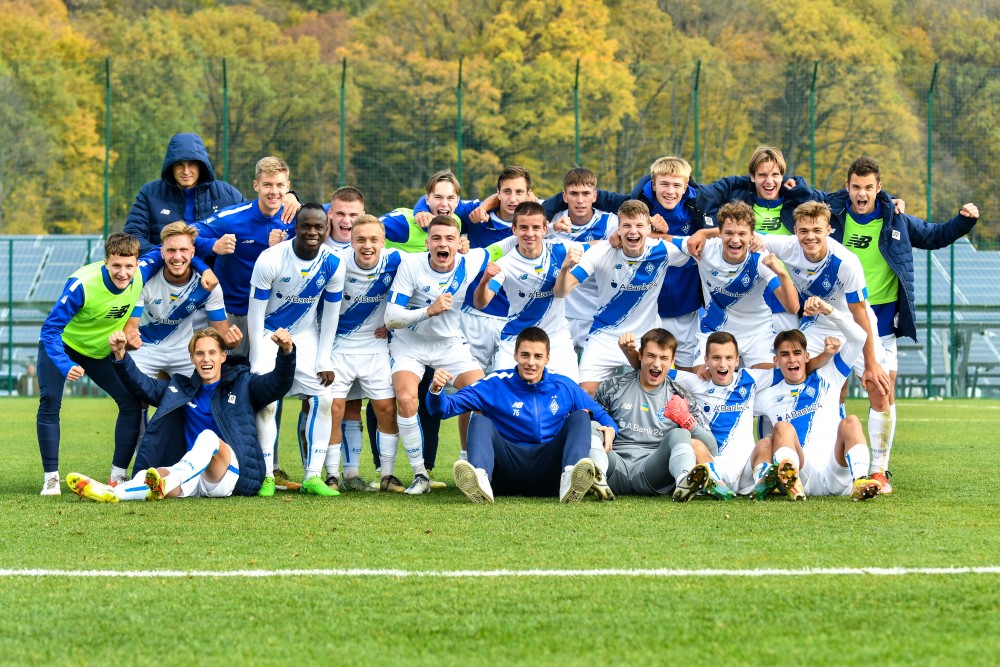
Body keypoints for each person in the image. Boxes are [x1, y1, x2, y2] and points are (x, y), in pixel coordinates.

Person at [807, 156, 981, 492]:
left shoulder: (896, 220)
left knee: (882, 389)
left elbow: (934, 235)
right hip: (837, 320)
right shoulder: (833, 216)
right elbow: (804, 201)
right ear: (847, 187)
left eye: (868, 187)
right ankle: (829, 459)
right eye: (856, 187)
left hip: (882, 324)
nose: (862, 194)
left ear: (879, 188)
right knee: (833, 389)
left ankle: (879, 470)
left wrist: (963, 221)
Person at [65, 327, 295, 502]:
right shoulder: (180, 388)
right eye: (199, 353)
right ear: (192, 359)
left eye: (212, 353)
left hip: (232, 475)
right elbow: (143, 385)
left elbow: (277, 384)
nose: (206, 359)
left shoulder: (243, 383)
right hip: (192, 474)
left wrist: (286, 352)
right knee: (149, 475)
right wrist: (120, 355)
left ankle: (169, 480)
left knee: (208, 438)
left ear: (223, 356)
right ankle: (112, 492)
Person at [545, 158, 713, 368]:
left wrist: (701, 233)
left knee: (681, 371)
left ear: (686, 186)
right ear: (653, 184)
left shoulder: (700, 205)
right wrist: (548, 219)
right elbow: (584, 196)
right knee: (640, 370)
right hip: (635, 313)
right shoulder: (634, 205)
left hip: (683, 304)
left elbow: (718, 234)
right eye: (664, 184)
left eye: (676, 185)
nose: (670, 191)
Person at [427, 327, 617, 504]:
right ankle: (481, 478)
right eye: (525, 355)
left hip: (551, 474)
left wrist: (611, 428)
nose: (531, 362)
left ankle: (571, 478)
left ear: (547, 358)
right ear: (515, 355)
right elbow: (443, 409)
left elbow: (600, 413)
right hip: (505, 472)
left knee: (581, 416)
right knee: (479, 420)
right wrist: (436, 390)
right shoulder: (494, 384)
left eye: (538, 356)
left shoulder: (564, 385)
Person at [36, 233, 163, 495]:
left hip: (98, 352)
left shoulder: (142, 271)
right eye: (116, 265)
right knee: (50, 401)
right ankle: (51, 479)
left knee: (131, 402)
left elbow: (171, 247)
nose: (123, 273)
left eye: (128, 266)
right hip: (63, 346)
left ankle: (118, 476)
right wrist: (63, 363)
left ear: (137, 263)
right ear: (106, 262)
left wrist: (204, 265)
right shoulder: (82, 284)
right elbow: (50, 329)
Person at [384, 216, 493, 494]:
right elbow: (391, 317)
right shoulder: (411, 265)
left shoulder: (471, 260)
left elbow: (507, 244)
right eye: (436, 238)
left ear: (459, 243)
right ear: (427, 243)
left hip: (449, 345)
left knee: (483, 395)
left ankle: (471, 465)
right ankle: (420, 474)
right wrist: (428, 311)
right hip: (410, 344)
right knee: (406, 398)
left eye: (449, 239)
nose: (442, 243)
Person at [248, 204, 345, 497]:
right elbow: (255, 313)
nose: (312, 232)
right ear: (295, 228)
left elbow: (331, 315)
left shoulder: (334, 263)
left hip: (305, 335)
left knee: (324, 399)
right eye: (306, 226)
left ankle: (313, 477)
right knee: (267, 403)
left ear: (327, 229)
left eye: (318, 227)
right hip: (268, 333)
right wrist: (257, 357)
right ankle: (266, 476)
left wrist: (324, 358)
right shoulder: (271, 259)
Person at [753, 297, 884, 501]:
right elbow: (733, 407)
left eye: (797, 353)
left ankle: (860, 480)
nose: (792, 359)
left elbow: (859, 337)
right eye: (785, 355)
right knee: (781, 428)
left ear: (807, 357)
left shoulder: (829, 375)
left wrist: (828, 310)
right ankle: (791, 483)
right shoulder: (767, 395)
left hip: (836, 472)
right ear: (776, 360)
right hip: (803, 475)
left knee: (851, 422)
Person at [554, 199, 690, 394]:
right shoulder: (601, 251)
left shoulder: (662, 250)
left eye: (639, 226)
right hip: (604, 336)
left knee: (660, 394)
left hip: (647, 337)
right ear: (618, 229)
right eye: (626, 226)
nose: (633, 231)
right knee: (584, 396)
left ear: (648, 229)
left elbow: (698, 246)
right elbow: (561, 291)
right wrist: (565, 268)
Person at [590, 328, 724, 502]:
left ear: (673, 360)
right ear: (640, 355)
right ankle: (597, 477)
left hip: (653, 472)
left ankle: (684, 481)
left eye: (664, 358)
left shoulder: (680, 396)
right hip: (613, 466)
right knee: (591, 425)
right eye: (651, 356)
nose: (656, 364)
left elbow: (711, 448)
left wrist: (687, 421)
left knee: (680, 433)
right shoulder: (612, 387)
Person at [325, 215, 406, 493]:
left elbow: (428, 264)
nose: (367, 245)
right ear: (351, 241)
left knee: (386, 409)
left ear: (383, 242)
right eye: (360, 239)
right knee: (333, 410)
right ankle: (332, 475)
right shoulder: (335, 262)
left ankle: (387, 475)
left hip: (375, 347)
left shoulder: (397, 260)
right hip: (339, 348)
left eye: (373, 239)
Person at [124, 133, 298, 256]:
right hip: (164, 272)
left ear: (202, 165)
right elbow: (133, 235)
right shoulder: (150, 193)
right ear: (170, 166)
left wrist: (289, 197)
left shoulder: (225, 193)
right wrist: (165, 255)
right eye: (179, 165)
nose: (186, 171)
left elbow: (252, 217)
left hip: (214, 277)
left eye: (192, 164)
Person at [672, 200, 799, 369]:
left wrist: (782, 274)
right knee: (701, 379)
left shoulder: (760, 257)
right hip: (715, 333)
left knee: (767, 381)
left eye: (742, 234)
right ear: (719, 233)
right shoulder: (705, 248)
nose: (735, 240)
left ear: (752, 235)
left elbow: (792, 307)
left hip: (757, 335)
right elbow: (663, 240)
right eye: (729, 233)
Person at [473, 201, 583, 379]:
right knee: (503, 392)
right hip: (516, 339)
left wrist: (615, 239)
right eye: (523, 228)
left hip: (556, 338)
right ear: (514, 230)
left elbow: (595, 247)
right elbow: (481, 303)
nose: (530, 234)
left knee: (571, 392)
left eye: (536, 228)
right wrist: (485, 280)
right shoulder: (505, 264)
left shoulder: (561, 248)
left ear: (545, 229)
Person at [124, 222, 236, 379]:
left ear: (192, 252)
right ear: (162, 253)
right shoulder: (144, 281)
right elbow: (130, 331)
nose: (177, 257)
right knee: (133, 391)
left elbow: (222, 334)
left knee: (203, 386)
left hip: (184, 351)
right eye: (171, 250)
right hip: (145, 348)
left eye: (183, 250)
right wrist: (129, 342)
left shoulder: (208, 284)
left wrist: (232, 341)